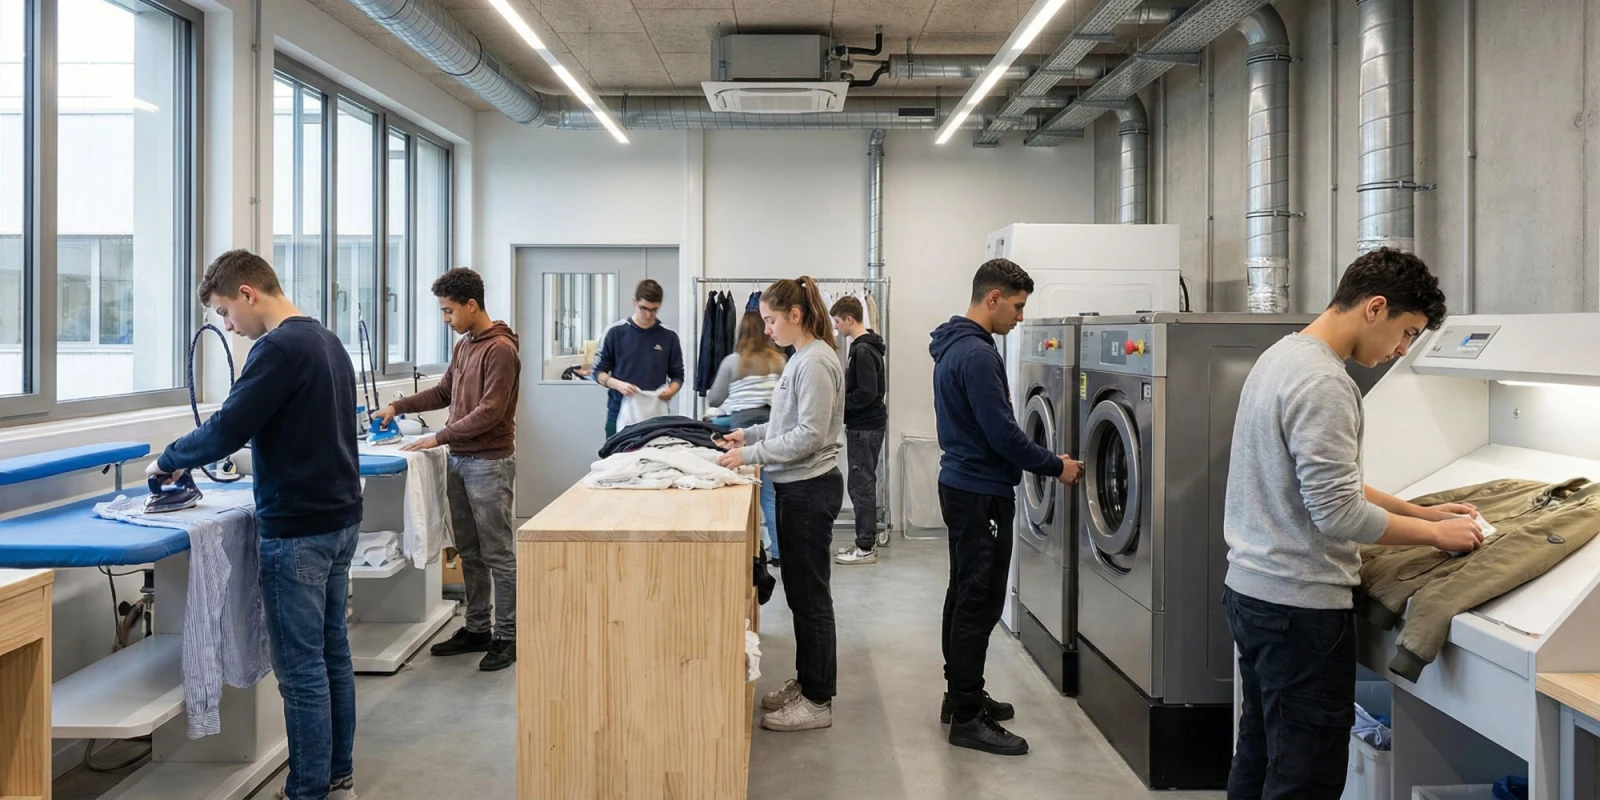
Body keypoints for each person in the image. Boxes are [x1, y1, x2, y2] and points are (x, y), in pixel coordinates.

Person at [1223, 248, 1482, 799]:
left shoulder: (1284, 356)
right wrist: (1439, 536)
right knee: (1305, 779)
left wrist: (1420, 512)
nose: (1401, 350)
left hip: (1253, 594)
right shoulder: (1324, 384)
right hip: (1298, 608)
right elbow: (1338, 511)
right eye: (1406, 332)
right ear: (1375, 308)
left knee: (1261, 755)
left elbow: (1324, 483)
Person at [147, 250, 361, 800]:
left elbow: (226, 430)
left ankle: (306, 789)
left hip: (297, 531)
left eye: (223, 313)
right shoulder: (326, 340)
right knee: (333, 652)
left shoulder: (278, 348)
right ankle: (337, 772)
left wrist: (168, 459)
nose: (227, 327)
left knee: (301, 669)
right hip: (338, 520)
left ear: (247, 293)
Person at [928, 258, 1083, 757]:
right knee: (979, 600)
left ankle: (961, 695)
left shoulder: (956, 344)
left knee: (964, 592)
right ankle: (968, 718)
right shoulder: (976, 354)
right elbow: (1002, 433)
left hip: (961, 484)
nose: (1020, 317)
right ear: (992, 298)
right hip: (980, 492)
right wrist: (1053, 465)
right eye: (1016, 306)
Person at [716, 276, 845, 733]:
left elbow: (809, 435)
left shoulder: (815, 362)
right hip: (798, 487)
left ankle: (817, 700)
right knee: (801, 595)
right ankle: (810, 681)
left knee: (810, 599)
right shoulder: (801, 358)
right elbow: (785, 420)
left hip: (810, 490)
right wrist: (748, 435)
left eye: (772, 320)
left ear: (795, 316)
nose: (766, 329)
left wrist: (749, 455)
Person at [377, 267, 522, 672]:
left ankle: (507, 636)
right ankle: (477, 627)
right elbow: (445, 392)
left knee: (499, 553)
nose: (445, 320)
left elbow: (490, 413)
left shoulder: (501, 350)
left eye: (448, 311)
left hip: (488, 464)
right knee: (469, 551)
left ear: (471, 305)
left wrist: (437, 437)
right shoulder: (465, 346)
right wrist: (398, 405)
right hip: (459, 460)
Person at [706, 303, 786, 564]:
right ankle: (778, 552)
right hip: (772, 432)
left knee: (738, 493)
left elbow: (715, 398)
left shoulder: (733, 362)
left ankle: (741, 549)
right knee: (771, 496)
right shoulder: (779, 360)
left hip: (741, 433)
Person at [829, 295, 888, 566]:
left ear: (850, 319)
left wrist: (840, 406)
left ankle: (865, 547)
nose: (837, 327)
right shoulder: (865, 347)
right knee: (862, 483)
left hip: (864, 426)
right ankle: (864, 541)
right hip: (867, 425)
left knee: (861, 485)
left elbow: (867, 392)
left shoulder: (863, 350)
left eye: (839, 322)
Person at [593, 279, 684, 438]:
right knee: (616, 460)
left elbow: (678, 375)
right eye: (644, 308)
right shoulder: (615, 332)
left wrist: (671, 390)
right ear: (634, 302)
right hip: (619, 410)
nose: (648, 315)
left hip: (656, 413)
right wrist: (617, 384)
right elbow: (597, 371)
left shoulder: (668, 336)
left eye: (654, 310)